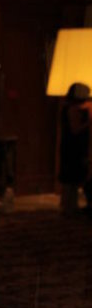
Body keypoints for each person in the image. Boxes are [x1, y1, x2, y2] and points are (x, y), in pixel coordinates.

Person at [58, 82, 91, 215]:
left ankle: (70, 206)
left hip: (73, 146)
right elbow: (75, 129)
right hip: (73, 147)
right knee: (71, 178)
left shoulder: (71, 108)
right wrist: (89, 122)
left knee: (73, 178)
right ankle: (69, 207)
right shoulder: (72, 109)